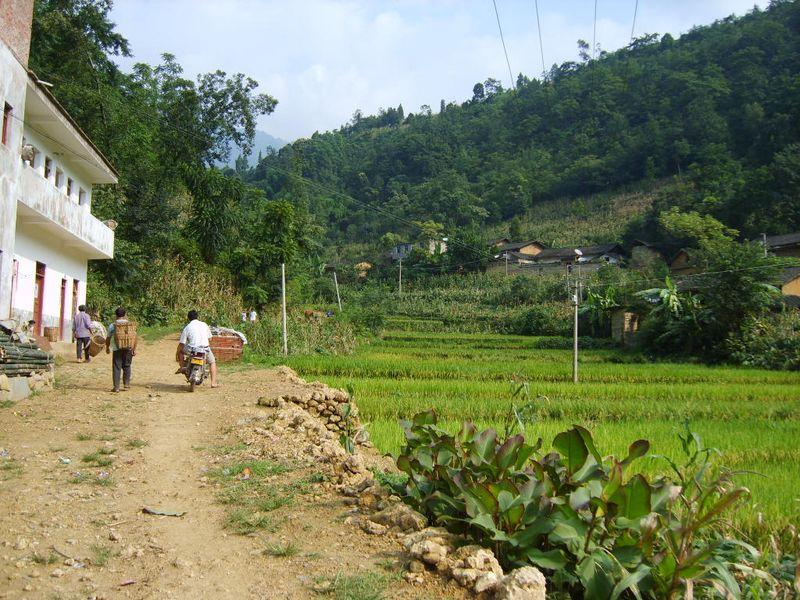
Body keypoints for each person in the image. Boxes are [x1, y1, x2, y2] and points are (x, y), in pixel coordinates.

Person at [176, 310, 218, 388]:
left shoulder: (187, 327)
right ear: (197, 317)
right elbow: (210, 338)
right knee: (212, 362)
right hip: (205, 349)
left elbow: (182, 344)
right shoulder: (204, 324)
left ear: (188, 318)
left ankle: (182, 367)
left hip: (192, 349)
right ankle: (213, 383)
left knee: (181, 352)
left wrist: (177, 353)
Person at [105, 307, 137, 392]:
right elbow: (134, 338)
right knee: (127, 365)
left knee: (116, 367)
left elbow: (108, 338)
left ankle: (116, 387)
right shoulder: (130, 325)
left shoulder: (113, 325)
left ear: (116, 315)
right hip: (128, 348)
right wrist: (134, 349)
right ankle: (126, 384)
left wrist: (107, 347)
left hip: (116, 348)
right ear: (125, 314)